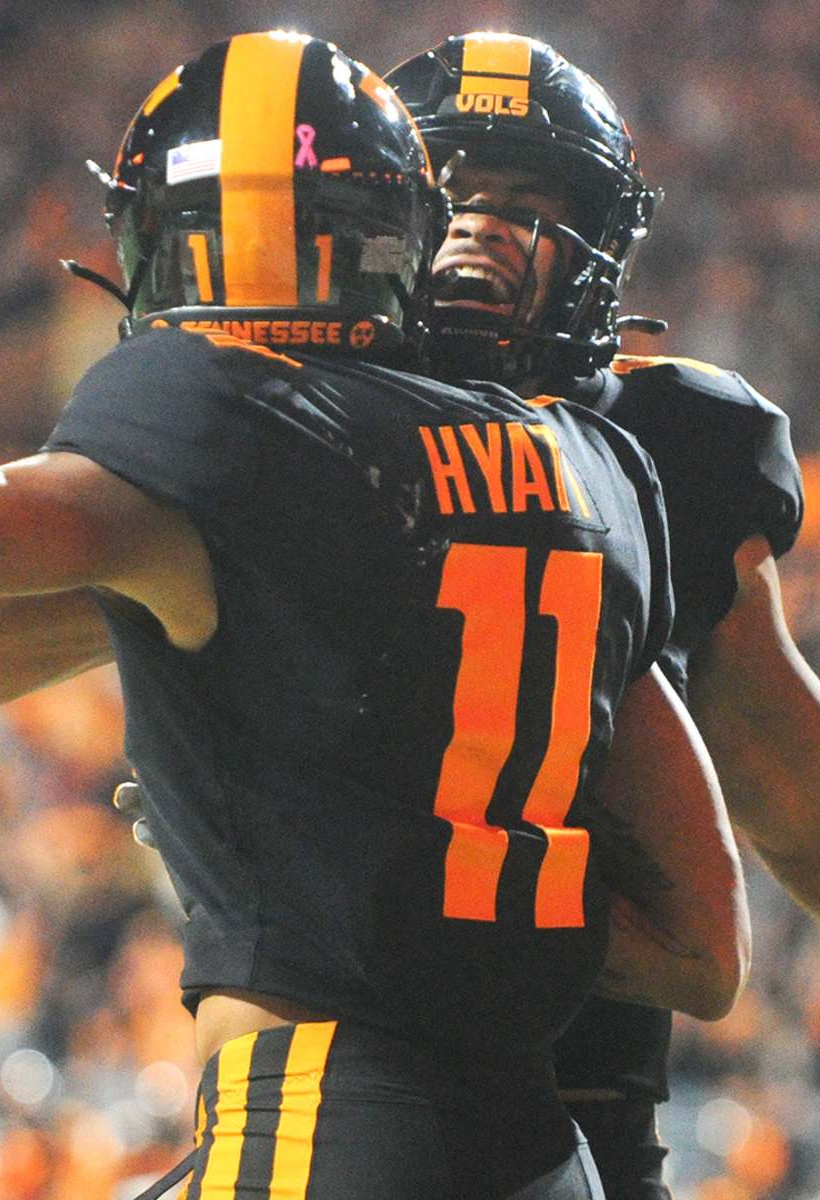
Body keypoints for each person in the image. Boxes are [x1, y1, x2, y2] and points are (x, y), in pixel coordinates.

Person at [0, 33, 748, 1200]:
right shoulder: (600, 469)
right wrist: (390, 863)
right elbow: (701, 949)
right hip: (539, 1156)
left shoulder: (227, 427)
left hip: (320, 1127)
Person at [384, 31, 815, 1200]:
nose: (477, 236)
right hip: (308, 1091)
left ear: (601, 248)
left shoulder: (671, 447)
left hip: (575, 1117)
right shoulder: (279, 421)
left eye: (527, 208)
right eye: (449, 198)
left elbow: (789, 793)